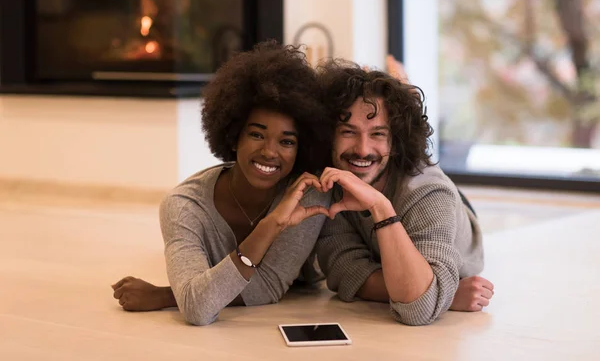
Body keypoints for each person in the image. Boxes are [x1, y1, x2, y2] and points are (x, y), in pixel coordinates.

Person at [112, 41, 331, 326]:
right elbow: (198, 310)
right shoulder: (183, 206)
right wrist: (270, 226)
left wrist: (168, 294)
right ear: (233, 135)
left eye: (287, 141)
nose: (269, 151)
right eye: (256, 134)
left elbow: (266, 286)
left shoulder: (306, 194)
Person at [314, 59, 494, 326]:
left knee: (418, 171)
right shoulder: (331, 180)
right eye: (348, 132)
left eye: (377, 133)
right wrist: (442, 294)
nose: (362, 148)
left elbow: (418, 308)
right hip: (391, 198)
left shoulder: (429, 192)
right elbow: (344, 273)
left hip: (453, 220)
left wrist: (380, 206)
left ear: (393, 140)